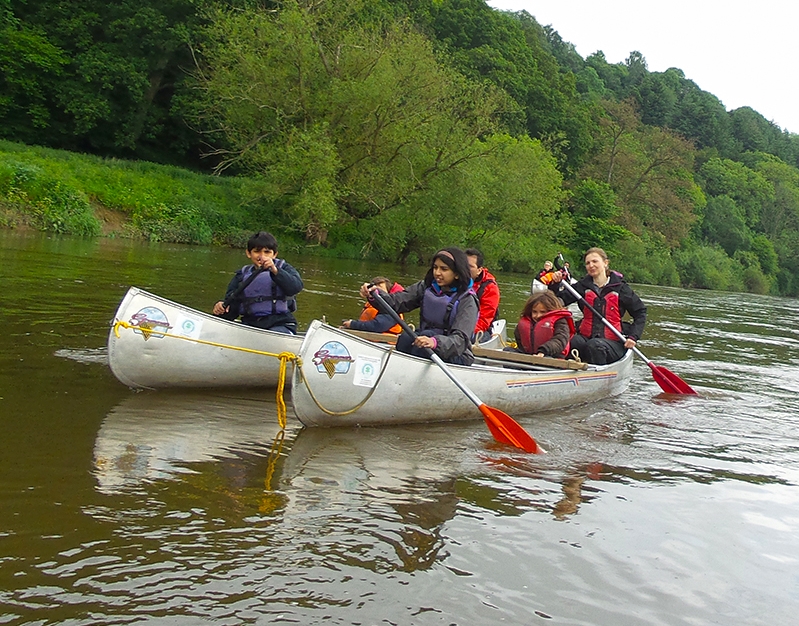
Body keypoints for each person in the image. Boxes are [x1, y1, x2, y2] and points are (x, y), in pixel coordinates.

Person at [359, 247, 478, 365]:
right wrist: (375, 295)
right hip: (426, 342)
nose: (437, 273)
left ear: (457, 274)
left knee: (423, 341)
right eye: (435, 268)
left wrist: (434, 342)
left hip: (457, 354)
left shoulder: (468, 300)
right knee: (405, 339)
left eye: (444, 269)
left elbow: (460, 340)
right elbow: (397, 302)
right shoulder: (426, 287)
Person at [549, 246, 646, 365]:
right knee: (568, 342)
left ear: (605, 263)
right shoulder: (582, 286)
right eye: (588, 263)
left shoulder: (621, 288)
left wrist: (633, 336)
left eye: (595, 261)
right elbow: (556, 302)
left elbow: (640, 312)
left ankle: (598, 377)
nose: (591, 265)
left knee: (595, 345)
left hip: (613, 343)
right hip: (586, 338)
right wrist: (554, 284)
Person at [212, 231, 303, 334]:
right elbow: (232, 310)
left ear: (274, 254)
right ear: (248, 253)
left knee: (274, 335)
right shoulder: (242, 276)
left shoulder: (285, 269)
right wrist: (221, 308)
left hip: (280, 324)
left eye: (267, 252)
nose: (262, 256)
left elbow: (296, 287)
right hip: (250, 324)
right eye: (257, 251)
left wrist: (275, 270)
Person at [513, 290, 575, 358]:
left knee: (548, 358)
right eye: (534, 312)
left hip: (551, 356)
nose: (538, 315)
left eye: (542, 312)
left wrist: (543, 351)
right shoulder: (526, 321)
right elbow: (519, 338)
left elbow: (560, 340)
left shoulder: (560, 322)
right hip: (530, 355)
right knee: (507, 350)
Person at [464, 248, 500, 340]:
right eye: (463, 265)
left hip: (480, 329)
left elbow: (484, 320)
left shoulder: (490, 288)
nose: (465, 269)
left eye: (470, 266)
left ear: (479, 270)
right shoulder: (454, 280)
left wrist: (462, 332)